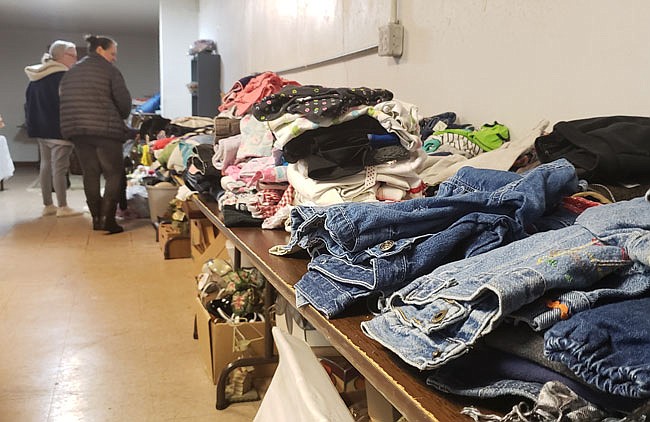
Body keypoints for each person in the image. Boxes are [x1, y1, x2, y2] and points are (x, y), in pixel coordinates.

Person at [59, 34, 133, 234]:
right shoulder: (109, 71)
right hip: (105, 130)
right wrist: (120, 116)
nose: (114, 58)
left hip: (77, 131)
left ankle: (96, 219)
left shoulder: (71, 72)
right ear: (100, 50)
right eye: (112, 53)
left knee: (90, 174)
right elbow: (124, 104)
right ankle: (108, 219)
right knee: (113, 173)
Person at [24, 40, 83, 218]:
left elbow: (29, 105)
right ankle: (63, 207)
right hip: (59, 129)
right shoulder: (64, 77)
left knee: (46, 166)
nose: (76, 59)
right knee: (60, 168)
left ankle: (48, 205)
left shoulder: (36, 77)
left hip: (41, 130)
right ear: (61, 56)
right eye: (73, 55)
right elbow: (71, 105)